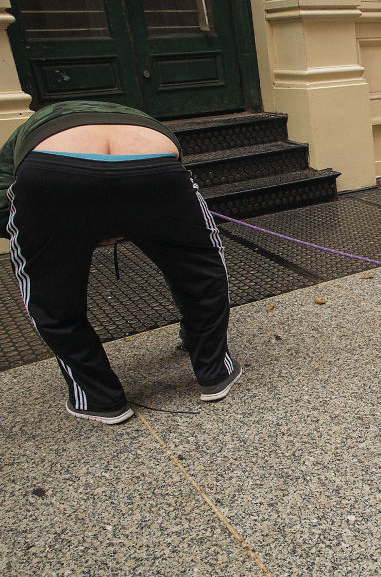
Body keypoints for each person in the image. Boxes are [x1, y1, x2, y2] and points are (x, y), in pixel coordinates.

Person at [0, 100, 241, 425]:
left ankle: (98, 398)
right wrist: (128, 221)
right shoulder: (138, 119)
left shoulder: (28, 132)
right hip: (153, 161)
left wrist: (64, 236)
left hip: (53, 168)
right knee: (201, 269)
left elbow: (5, 205)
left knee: (50, 295)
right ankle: (214, 371)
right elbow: (164, 185)